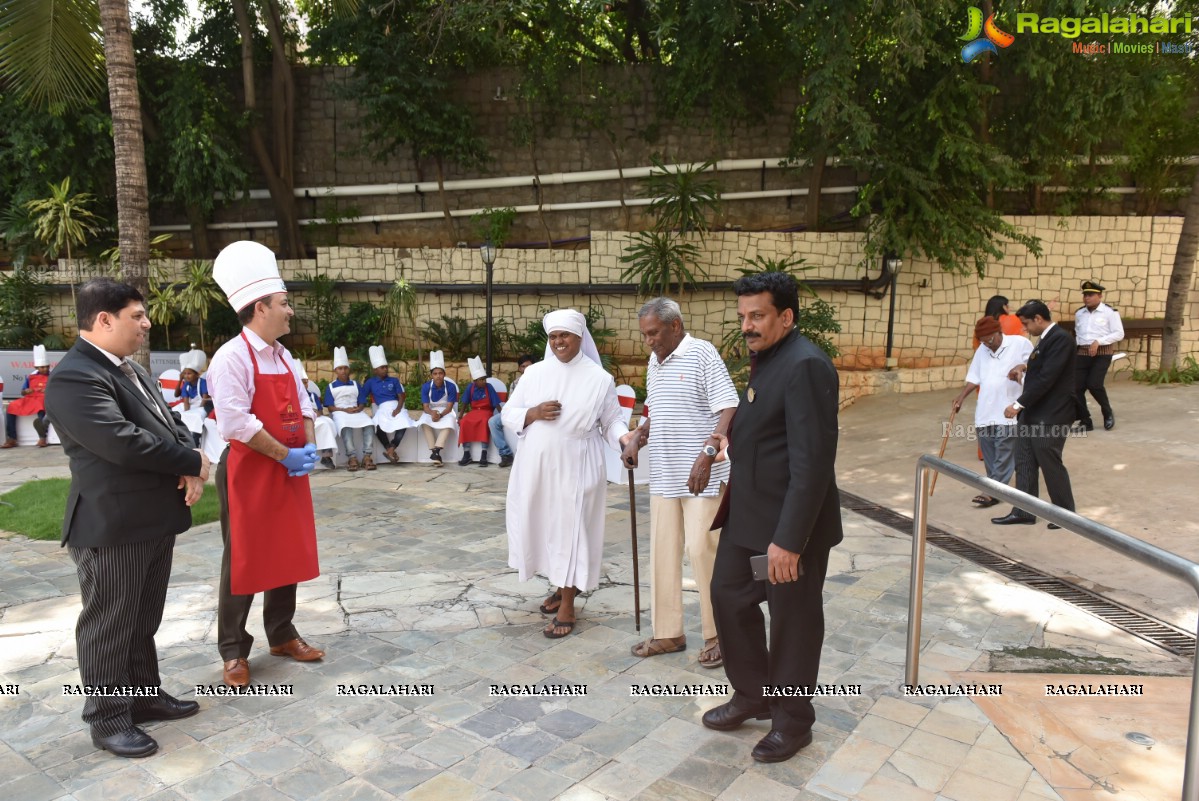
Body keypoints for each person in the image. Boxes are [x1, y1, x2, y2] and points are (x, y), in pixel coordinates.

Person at [44, 278, 209, 758]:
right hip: (113, 524)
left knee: (142, 618)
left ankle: (143, 696)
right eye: (137, 315)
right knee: (110, 623)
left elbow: (169, 420)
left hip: (152, 517)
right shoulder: (76, 376)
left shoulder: (129, 369)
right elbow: (120, 441)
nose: (146, 323)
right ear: (103, 320)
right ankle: (107, 718)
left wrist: (189, 457)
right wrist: (190, 463)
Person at [703, 272, 842, 765]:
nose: (747, 325)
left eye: (756, 315)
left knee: (792, 622)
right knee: (728, 596)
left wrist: (790, 540)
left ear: (786, 315)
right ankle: (752, 694)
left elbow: (812, 462)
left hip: (787, 529)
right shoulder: (769, 359)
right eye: (742, 316)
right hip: (750, 519)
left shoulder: (806, 366)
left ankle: (792, 722)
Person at [208, 240, 324, 689]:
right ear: (259, 308)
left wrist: (308, 448)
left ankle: (281, 633)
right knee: (243, 558)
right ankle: (234, 650)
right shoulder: (231, 358)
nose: (290, 311)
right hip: (250, 472)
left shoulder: (285, 356)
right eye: (283, 303)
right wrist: (284, 454)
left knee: (287, 552)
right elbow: (235, 421)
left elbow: (305, 403)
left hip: (287, 468)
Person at [620, 298, 738, 669]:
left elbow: (728, 407)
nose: (648, 342)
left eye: (653, 333)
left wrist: (707, 453)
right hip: (665, 475)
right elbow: (658, 410)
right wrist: (638, 438)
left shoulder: (701, 352)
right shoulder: (656, 363)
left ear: (675, 326)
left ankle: (719, 634)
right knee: (663, 553)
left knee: (703, 552)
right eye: (645, 335)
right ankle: (669, 632)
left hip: (702, 475)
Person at [503, 309, 632, 638]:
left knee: (572, 533)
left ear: (580, 338)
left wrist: (623, 437)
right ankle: (561, 587)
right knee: (546, 528)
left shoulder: (599, 379)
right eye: (553, 336)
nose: (559, 341)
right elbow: (509, 412)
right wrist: (532, 412)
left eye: (565, 335)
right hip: (536, 466)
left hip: (578, 464)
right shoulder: (534, 375)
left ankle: (568, 607)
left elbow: (611, 420)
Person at [992, 300, 1077, 529]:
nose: (1025, 328)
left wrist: (1018, 405)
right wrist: (1024, 367)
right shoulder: (1047, 339)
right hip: (1035, 411)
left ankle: (1065, 515)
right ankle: (1024, 510)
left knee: (1049, 461)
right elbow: (1042, 369)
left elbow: (1047, 378)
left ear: (1039, 318)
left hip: (1052, 414)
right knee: (1024, 461)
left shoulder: (1061, 339)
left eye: (1027, 323)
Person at [952, 317, 1033, 507]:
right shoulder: (983, 349)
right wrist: (962, 396)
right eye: (983, 342)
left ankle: (991, 492)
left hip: (1009, 408)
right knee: (989, 450)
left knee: (1004, 449)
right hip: (986, 409)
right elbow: (975, 376)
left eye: (990, 340)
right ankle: (995, 486)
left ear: (999, 333)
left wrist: (1022, 369)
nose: (987, 345)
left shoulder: (1020, 344)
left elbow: (1036, 369)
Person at [1074, 280, 1124, 431]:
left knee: (1094, 384)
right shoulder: (1079, 313)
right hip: (1082, 353)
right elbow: (1078, 334)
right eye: (1085, 295)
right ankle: (1085, 421)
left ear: (1100, 296)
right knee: (1075, 388)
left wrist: (1099, 341)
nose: (1087, 298)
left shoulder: (1110, 313)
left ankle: (1107, 412)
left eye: (1090, 295)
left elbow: (1119, 333)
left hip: (1102, 353)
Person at [324, 347, 376, 472]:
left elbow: (362, 401)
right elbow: (330, 407)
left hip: (356, 411)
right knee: (345, 426)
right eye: (340, 368)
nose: (343, 371)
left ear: (349, 369)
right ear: (336, 370)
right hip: (340, 413)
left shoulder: (355, 384)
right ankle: (351, 457)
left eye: (345, 368)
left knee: (369, 424)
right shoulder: (330, 387)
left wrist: (359, 408)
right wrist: (344, 410)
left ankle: (367, 456)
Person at [363, 345, 412, 464]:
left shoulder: (394, 380)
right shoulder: (370, 382)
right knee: (376, 425)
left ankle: (392, 448)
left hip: (396, 406)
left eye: (386, 367)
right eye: (382, 367)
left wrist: (398, 409)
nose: (385, 369)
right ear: (375, 370)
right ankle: (389, 449)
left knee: (404, 422)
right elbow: (362, 396)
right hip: (382, 408)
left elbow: (401, 397)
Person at [489, 353, 534, 468]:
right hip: (517, 412)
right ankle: (506, 454)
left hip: (533, 412)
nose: (526, 369)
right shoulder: (515, 383)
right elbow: (511, 403)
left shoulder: (539, 381)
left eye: (528, 366)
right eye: (523, 366)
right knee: (493, 421)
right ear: (519, 368)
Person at [3, 345, 51, 448]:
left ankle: (42, 438)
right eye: (42, 367)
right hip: (30, 398)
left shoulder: (53, 376)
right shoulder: (31, 377)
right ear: (36, 367)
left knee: (41, 405)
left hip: (44, 399)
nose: (45, 369)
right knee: (12, 406)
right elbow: (23, 392)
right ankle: (12, 438)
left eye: (47, 366)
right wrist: (26, 391)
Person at [415, 351, 458, 465]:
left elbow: (449, 407)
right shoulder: (426, 387)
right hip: (431, 411)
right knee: (424, 422)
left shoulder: (451, 386)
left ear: (444, 374)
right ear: (431, 375)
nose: (438, 376)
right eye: (435, 373)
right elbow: (425, 407)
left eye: (440, 373)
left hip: (445, 412)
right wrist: (432, 413)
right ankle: (435, 452)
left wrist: (440, 415)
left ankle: (437, 450)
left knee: (449, 422)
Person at [458, 356, 502, 466]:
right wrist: (460, 416)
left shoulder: (489, 387)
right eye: (481, 380)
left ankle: (484, 454)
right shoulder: (470, 387)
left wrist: (502, 414)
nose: (484, 381)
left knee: (484, 422)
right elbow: (465, 402)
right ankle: (466, 453)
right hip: (473, 411)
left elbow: (496, 402)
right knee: (464, 422)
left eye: (484, 379)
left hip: (486, 411)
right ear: (475, 381)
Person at [301, 367, 339, 469]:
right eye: (302, 382)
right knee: (324, 424)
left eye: (306, 382)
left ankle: (326, 455)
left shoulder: (313, 395)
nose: (304, 385)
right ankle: (324, 456)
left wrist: (316, 413)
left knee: (329, 422)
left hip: (315, 417)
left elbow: (320, 410)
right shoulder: (294, 395)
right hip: (302, 420)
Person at [175, 346, 208, 447]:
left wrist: (196, 411)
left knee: (197, 415)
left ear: (196, 374)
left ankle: (195, 440)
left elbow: (205, 399)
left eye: (189, 373)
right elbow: (186, 402)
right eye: (184, 374)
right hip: (192, 407)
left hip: (202, 406)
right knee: (176, 411)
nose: (186, 376)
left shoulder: (202, 382)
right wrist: (186, 413)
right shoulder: (186, 384)